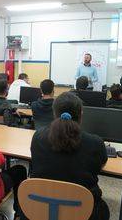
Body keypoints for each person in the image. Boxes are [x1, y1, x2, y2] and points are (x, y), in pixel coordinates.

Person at [30, 92, 110, 220]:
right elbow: (101, 164)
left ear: (54, 113)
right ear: (81, 114)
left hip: (41, 207)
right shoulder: (95, 142)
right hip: (83, 212)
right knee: (103, 209)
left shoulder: (38, 137)